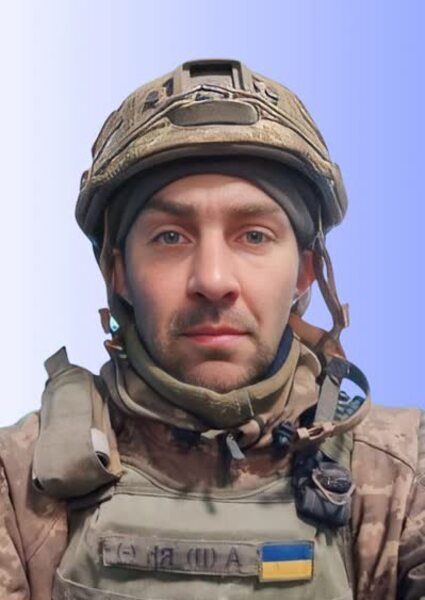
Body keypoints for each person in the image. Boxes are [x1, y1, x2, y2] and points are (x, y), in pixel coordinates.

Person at [0, 59, 423, 600]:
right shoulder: (19, 483)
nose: (214, 280)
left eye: (254, 235)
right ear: (118, 272)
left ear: (305, 272)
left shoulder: (402, 475)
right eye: (170, 237)